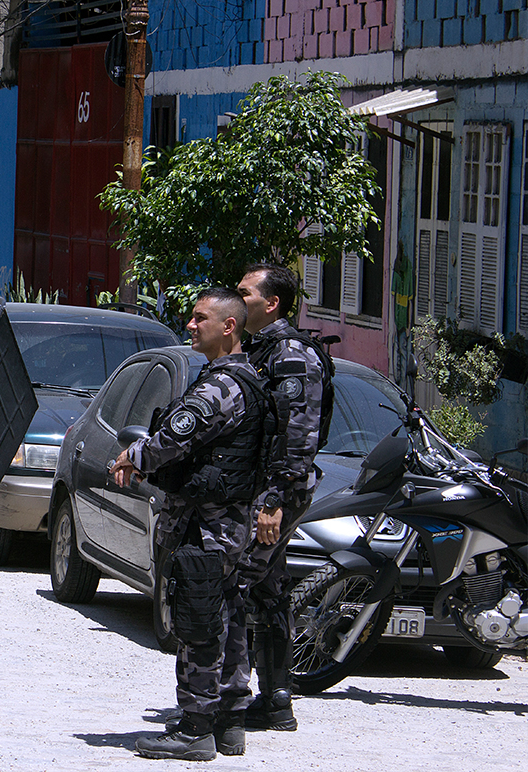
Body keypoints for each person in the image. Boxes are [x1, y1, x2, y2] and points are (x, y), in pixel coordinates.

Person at [111, 288, 266, 761]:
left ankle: (195, 729)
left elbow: (172, 438)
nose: (191, 326)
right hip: (229, 521)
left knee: (199, 619)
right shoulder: (249, 379)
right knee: (228, 614)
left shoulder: (221, 385)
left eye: (201, 319)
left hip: (207, 523)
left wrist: (131, 458)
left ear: (229, 327)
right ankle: (228, 722)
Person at [236, 262, 333, 731]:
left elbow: (297, 436)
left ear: (271, 303)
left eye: (245, 292)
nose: (237, 300)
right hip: (263, 487)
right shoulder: (260, 349)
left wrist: (273, 500)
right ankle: (276, 700)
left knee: (231, 585)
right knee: (268, 590)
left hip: (276, 492)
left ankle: (223, 700)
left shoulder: (291, 355)